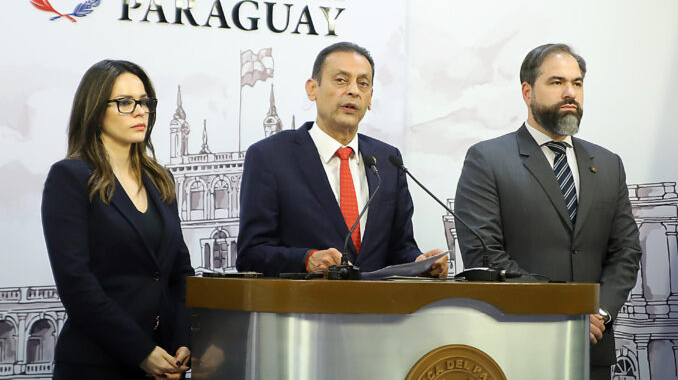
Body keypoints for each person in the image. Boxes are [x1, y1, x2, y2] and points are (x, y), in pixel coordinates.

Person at [454, 43, 642, 379]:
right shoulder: (488, 160)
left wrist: (596, 313)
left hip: (592, 350)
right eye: (557, 82)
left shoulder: (608, 164)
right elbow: (485, 256)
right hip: (517, 347)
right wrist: (562, 313)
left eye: (577, 83)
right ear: (527, 92)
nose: (570, 92)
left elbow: (625, 252)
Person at [236, 42, 447, 278]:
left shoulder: (387, 161)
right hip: (302, 309)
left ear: (370, 98)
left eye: (363, 84)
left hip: (377, 312)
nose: (353, 91)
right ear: (312, 88)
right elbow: (251, 253)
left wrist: (418, 262)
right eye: (341, 80)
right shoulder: (271, 156)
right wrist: (306, 259)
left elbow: (400, 247)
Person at [41, 60, 195, 379]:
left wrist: (182, 341)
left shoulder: (160, 179)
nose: (141, 111)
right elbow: (77, 285)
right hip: (97, 364)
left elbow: (179, 272)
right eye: (125, 103)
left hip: (165, 364)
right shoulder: (70, 177)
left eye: (145, 102)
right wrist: (141, 352)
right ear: (96, 110)